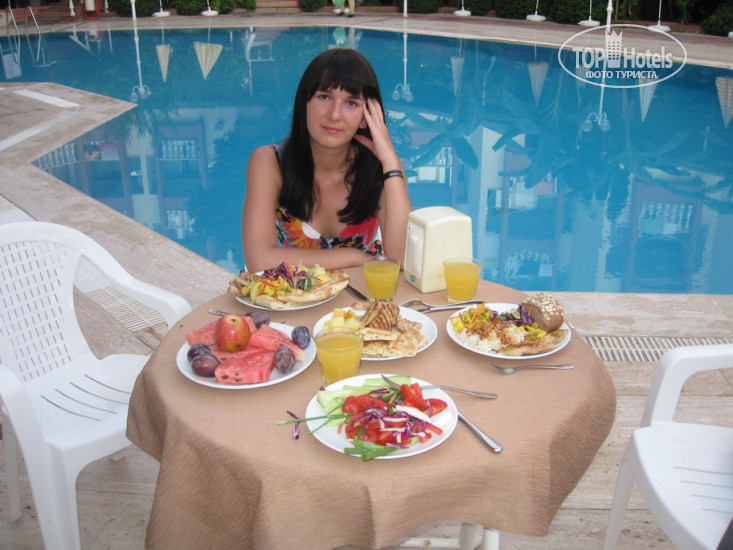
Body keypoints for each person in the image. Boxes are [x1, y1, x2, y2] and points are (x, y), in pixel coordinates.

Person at [241, 48, 412, 273]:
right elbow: (259, 260)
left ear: (366, 117)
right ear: (304, 103)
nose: (334, 115)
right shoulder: (270, 161)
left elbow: (404, 260)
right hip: (295, 295)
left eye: (351, 103)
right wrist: (356, 257)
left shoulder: (382, 169)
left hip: (363, 296)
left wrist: (390, 160)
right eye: (324, 97)